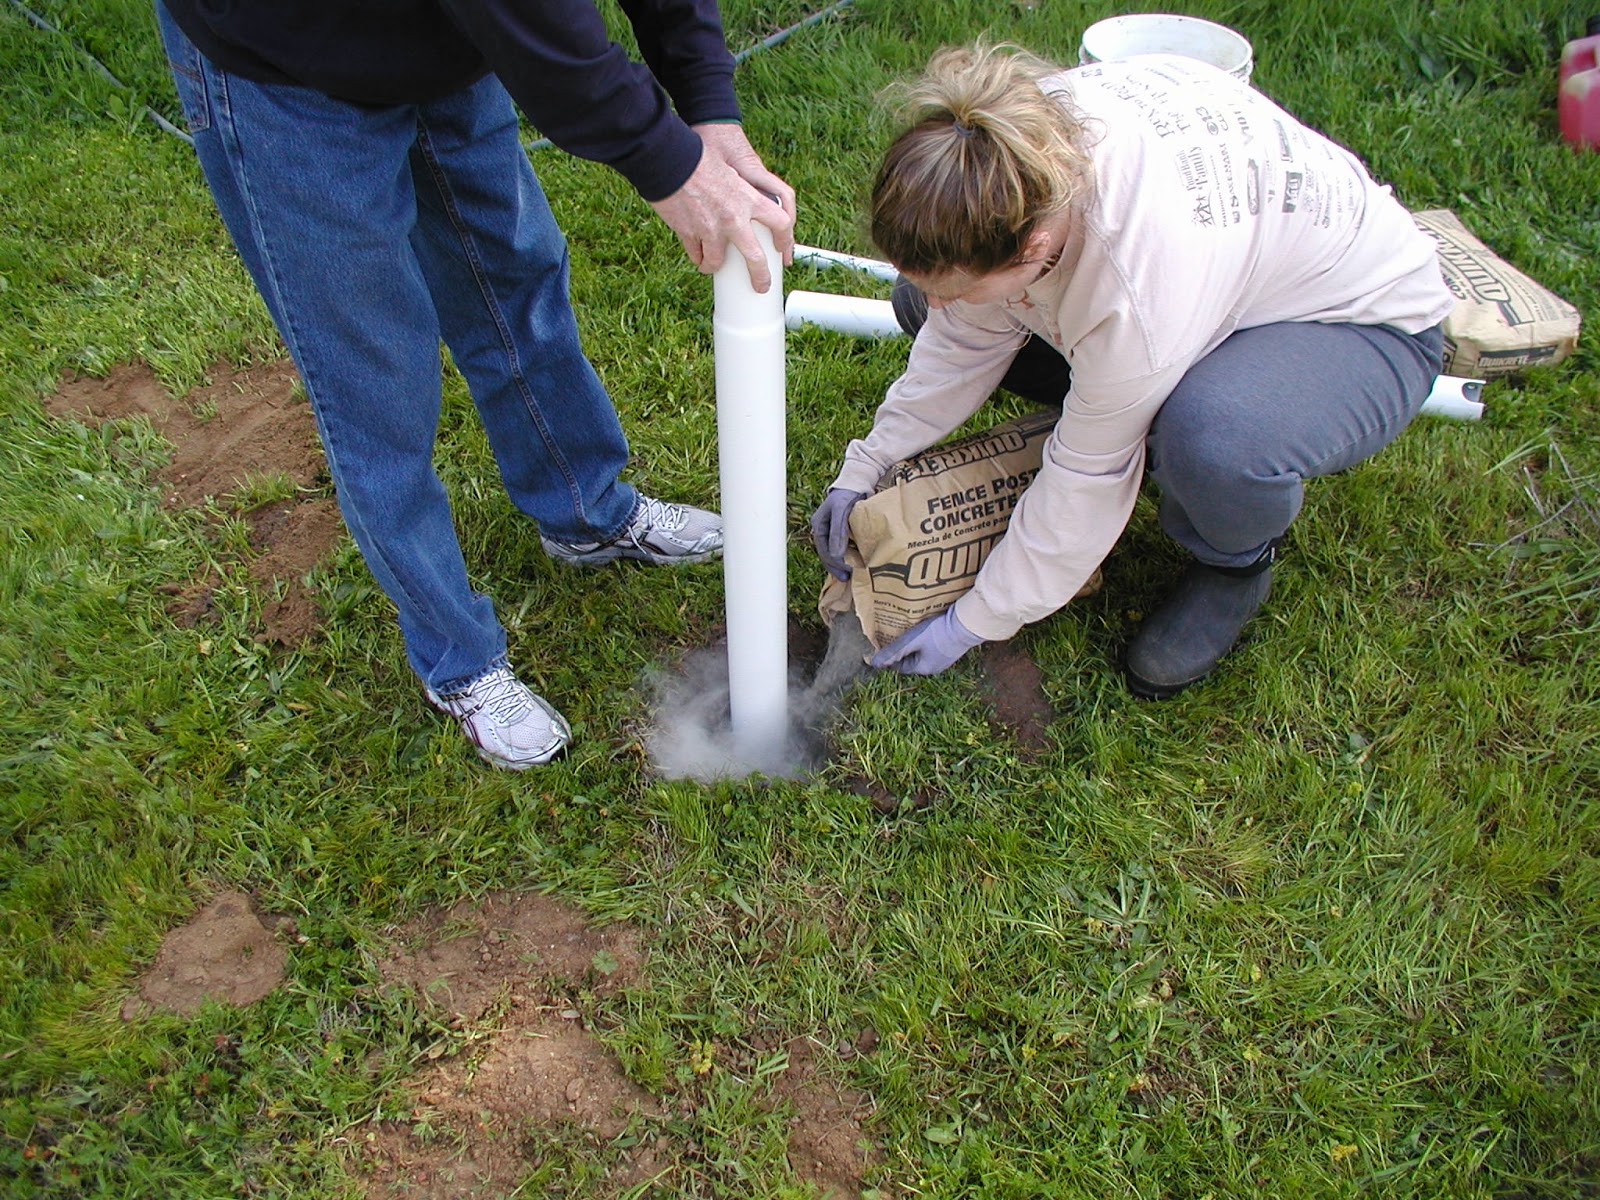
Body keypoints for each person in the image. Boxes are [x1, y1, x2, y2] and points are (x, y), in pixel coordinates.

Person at [153, 0, 795, 768]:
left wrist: (710, 109)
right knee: (374, 376)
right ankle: (459, 659)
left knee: (516, 281)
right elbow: (537, 24)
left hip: (445, 42)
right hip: (286, 61)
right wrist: (668, 163)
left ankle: (586, 513)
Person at [811, 43, 1451, 695]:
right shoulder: (1008, 150)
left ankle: (1233, 563)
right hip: (1204, 295)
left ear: (1033, 247)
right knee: (926, 302)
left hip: (1356, 325)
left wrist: (974, 621)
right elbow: (960, 340)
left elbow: (1084, 479)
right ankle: (1143, 408)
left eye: (962, 287)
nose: (943, 303)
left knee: (1213, 438)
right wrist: (870, 461)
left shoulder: (1135, 288)